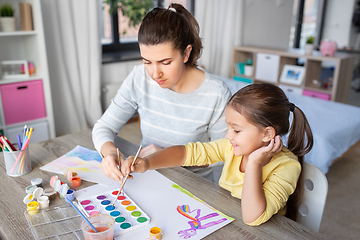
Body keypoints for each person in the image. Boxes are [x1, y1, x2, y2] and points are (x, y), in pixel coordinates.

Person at [121, 83, 314, 226]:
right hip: (227, 219)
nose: (228, 136)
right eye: (228, 127)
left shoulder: (287, 166)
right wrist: (146, 163)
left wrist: (254, 164)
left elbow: (253, 217)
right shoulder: (232, 147)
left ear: (267, 134)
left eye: (236, 130)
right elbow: (187, 153)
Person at [92, 3, 231, 183]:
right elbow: (104, 127)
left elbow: (224, 154)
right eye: (147, 61)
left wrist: (167, 158)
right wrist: (109, 153)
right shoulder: (139, 78)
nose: (154, 73)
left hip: (193, 186)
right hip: (148, 177)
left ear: (186, 53)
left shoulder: (216, 93)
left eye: (165, 62)